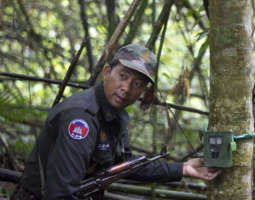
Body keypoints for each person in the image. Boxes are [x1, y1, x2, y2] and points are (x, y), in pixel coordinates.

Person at [11, 44, 221, 200]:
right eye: (123, 76)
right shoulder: (81, 117)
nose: (126, 88)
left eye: (137, 83)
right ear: (107, 73)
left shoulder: (115, 114)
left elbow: (124, 165)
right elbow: (60, 193)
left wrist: (183, 169)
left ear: (143, 91)